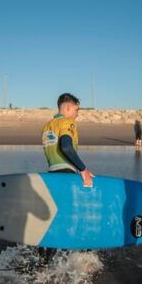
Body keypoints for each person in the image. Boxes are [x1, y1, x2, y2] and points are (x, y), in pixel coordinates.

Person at [38, 93, 95, 263]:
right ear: (68, 108)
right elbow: (66, 147)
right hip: (66, 176)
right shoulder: (67, 122)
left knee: (54, 218)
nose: (77, 114)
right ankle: (84, 258)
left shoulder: (47, 126)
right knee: (74, 215)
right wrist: (83, 170)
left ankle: (42, 262)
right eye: (76, 110)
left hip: (52, 176)